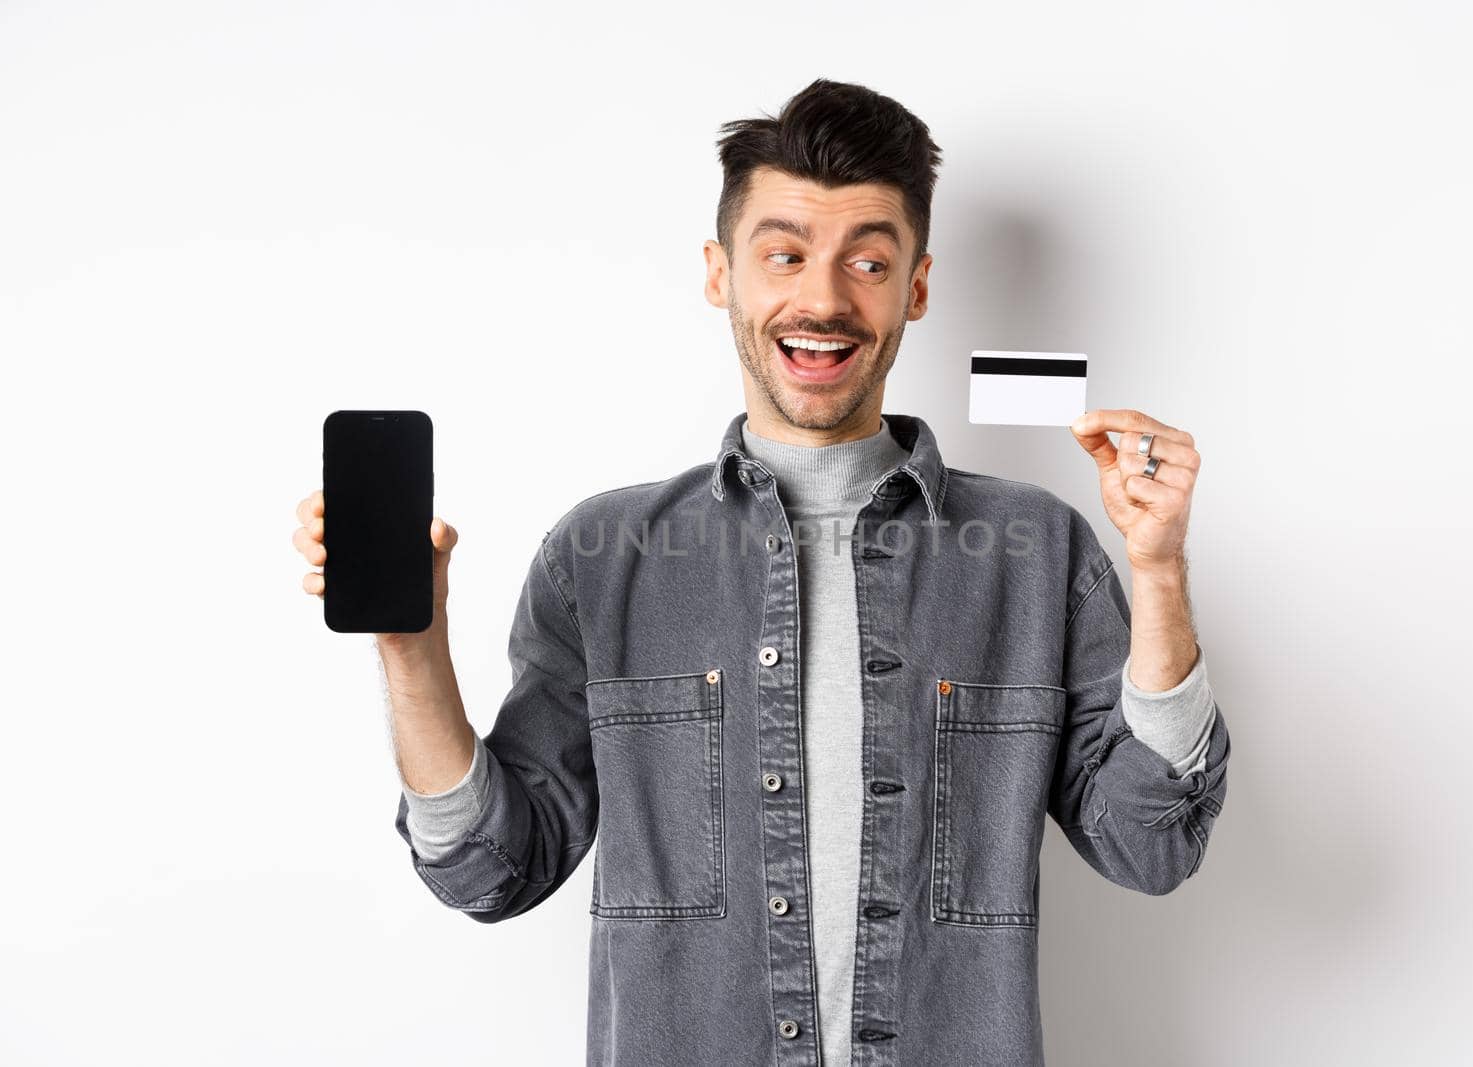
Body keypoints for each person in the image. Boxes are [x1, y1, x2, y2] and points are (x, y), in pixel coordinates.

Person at [291, 77, 1230, 1067]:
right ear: (719, 273)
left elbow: (1150, 843)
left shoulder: (1036, 552)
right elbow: (491, 871)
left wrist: (1160, 571)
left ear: (915, 285)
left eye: (867, 261)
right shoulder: (605, 557)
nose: (822, 299)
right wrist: (410, 647)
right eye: (783, 254)